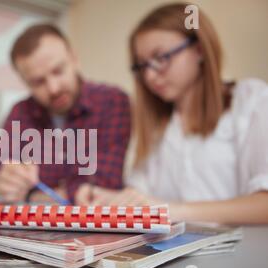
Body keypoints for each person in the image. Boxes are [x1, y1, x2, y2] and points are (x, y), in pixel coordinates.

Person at [76, 3, 268, 224]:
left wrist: (169, 210)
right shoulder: (159, 129)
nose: (149, 76)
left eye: (161, 58)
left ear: (199, 49)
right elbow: (142, 196)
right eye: (141, 66)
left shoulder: (251, 100)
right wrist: (108, 199)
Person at [0, 24, 131, 203]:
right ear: (25, 82)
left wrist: (29, 195)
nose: (53, 89)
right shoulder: (20, 112)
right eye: (38, 82)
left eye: (58, 71)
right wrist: (3, 183)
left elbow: (101, 190)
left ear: (74, 59)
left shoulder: (112, 101)